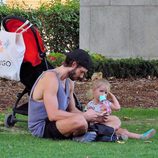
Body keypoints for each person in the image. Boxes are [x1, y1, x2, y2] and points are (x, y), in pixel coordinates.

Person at [28, 49, 107, 142]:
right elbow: (53, 115)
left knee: (113, 120)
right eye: (81, 72)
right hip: (43, 127)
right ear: (74, 64)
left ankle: (85, 133)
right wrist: (84, 116)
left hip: (60, 122)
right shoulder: (50, 78)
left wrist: (95, 116)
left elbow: (72, 109)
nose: (81, 76)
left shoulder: (69, 82)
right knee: (80, 121)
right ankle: (85, 133)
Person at [86, 78, 156, 140]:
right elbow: (89, 118)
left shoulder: (106, 103)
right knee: (115, 122)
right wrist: (101, 114)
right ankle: (118, 137)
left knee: (123, 131)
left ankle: (141, 136)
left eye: (105, 92)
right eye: (101, 91)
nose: (103, 94)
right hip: (98, 127)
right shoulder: (91, 105)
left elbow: (117, 108)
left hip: (108, 126)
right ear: (93, 91)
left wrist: (112, 96)